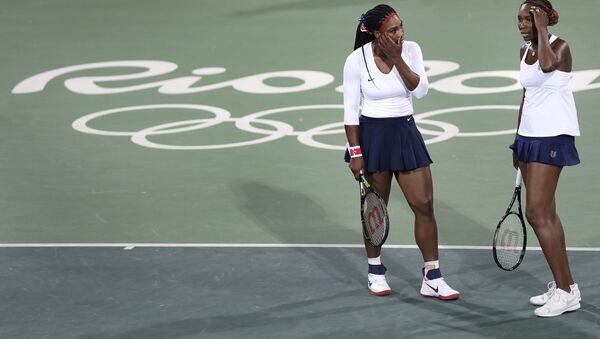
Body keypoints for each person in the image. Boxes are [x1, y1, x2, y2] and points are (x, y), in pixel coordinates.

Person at [343, 4, 459, 300]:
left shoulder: (410, 50)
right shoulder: (356, 60)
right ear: (377, 33)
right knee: (375, 210)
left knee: (424, 204)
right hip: (373, 139)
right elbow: (350, 112)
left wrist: (397, 58)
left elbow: (419, 91)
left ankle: (432, 276)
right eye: (393, 30)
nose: (400, 34)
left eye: (401, 27)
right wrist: (356, 153)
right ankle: (375, 271)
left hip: (406, 134)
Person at [512, 0, 582, 317]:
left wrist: (542, 30)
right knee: (548, 213)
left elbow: (547, 65)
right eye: (520, 19)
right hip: (529, 137)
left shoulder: (559, 47)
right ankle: (567, 285)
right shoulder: (524, 51)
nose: (522, 24)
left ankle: (565, 292)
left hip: (552, 135)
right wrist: (517, 140)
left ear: (543, 19)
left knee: (537, 213)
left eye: (528, 19)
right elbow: (527, 96)